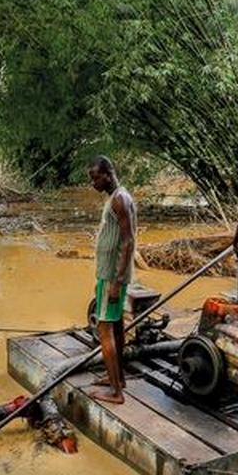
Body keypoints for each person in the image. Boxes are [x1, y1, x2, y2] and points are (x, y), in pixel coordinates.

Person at [87, 156, 136, 405]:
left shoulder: (119, 199)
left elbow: (128, 241)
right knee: (115, 326)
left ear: (108, 174)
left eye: (96, 177)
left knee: (104, 329)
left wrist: (117, 281)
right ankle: (118, 378)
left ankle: (116, 392)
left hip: (110, 276)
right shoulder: (117, 197)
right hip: (109, 274)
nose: (93, 183)